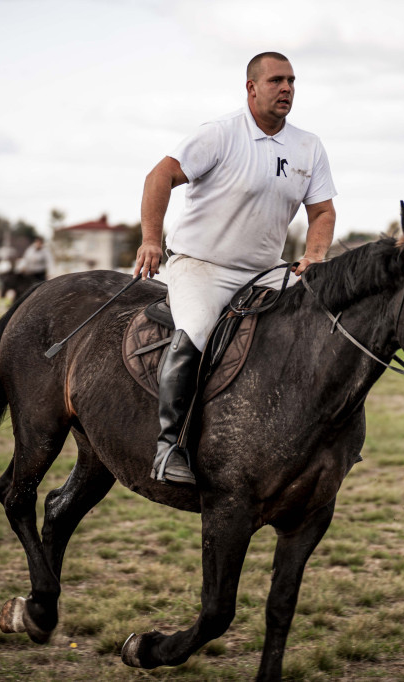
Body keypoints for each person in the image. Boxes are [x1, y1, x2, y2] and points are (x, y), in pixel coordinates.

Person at [134, 51, 337, 487]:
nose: (286, 89)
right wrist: (152, 238)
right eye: (277, 81)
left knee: (311, 330)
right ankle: (169, 447)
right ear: (252, 87)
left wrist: (315, 255)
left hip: (265, 272)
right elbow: (159, 176)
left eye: (292, 81)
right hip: (200, 266)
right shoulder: (220, 134)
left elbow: (322, 211)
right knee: (197, 332)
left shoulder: (308, 146)